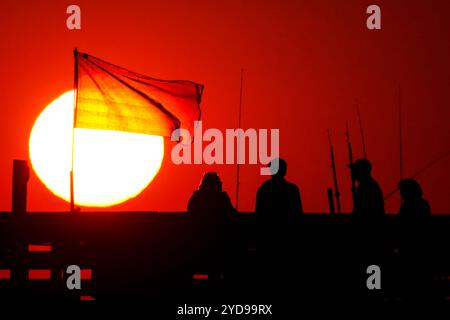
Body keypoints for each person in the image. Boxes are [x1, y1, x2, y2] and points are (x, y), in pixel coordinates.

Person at [187, 172, 236, 288]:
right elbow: (233, 215)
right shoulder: (222, 199)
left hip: (197, 247)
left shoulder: (195, 199)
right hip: (219, 248)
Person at [256, 158, 303, 225]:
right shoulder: (292, 190)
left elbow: (259, 214)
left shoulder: (263, 190)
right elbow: (298, 212)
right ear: (284, 171)